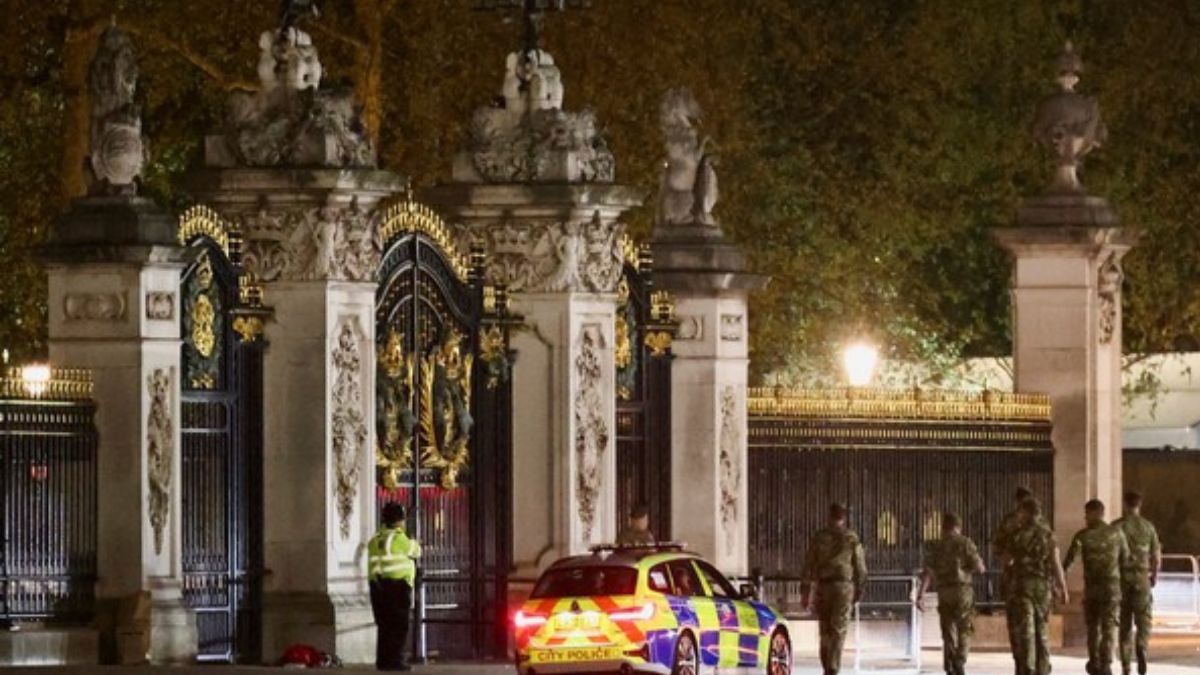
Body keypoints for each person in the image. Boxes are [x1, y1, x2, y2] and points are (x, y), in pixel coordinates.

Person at [1064, 500, 1130, 675]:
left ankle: (1094, 661)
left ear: (1094, 513)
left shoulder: (1082, 536)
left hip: (1093, 590)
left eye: (1087, 514)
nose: (1085, 518)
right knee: (1109, 627)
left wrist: (1060, 581)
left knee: (1093, 627)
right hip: (1112, 590)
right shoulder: (1117, 534)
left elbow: (1068, 561)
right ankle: (1106, 662)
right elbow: (1125, 561)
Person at [801, 503, 868, 675]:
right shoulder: (852, 538)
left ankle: (826, 664)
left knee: (824, 628)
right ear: (844, 518)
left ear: (829, 517)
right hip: (844, 587)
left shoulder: (819, 537)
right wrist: (860, 588)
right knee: (839, 628)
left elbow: (809, 564)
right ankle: (833, 667)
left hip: (824, 586)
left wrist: (806, 590)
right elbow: (860, 566)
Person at [916, 513, 985, 675]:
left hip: (944, 592)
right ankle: (960, 660)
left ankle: (950, 668)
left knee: (948, 631)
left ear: (943, 527)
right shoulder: (965, 543)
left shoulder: (936, 546)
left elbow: (928, 572)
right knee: (965, 629)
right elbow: (979, 568)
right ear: (958, 527)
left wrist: (921, 595)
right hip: (962, 592)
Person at [1006, 497, 1069, 675]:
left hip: (1022, 587)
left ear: (1026, 512)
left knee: (1026, 632)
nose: (1018, 515)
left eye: (1021, 511)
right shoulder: (1048, 534)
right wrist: (1063, 588)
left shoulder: (1017, 534)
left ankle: (1028, 669)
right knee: (1042, 630)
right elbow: (1056, 563)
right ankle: (1043, 668)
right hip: (1043, 589)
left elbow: (1007, 560)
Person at [367, 503, 422, 672]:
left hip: (378, 587)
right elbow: (417, 551)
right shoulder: (399, 539)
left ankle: (383, 660)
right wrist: (414, 540)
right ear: (399, 521)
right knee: (399, 626)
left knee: (384, 626)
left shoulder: (375, 540)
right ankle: (396, 660)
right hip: (397, 588)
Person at [1113, 491, 1162, 675]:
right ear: (1139, 505)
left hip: (1122, 581)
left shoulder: (1117, 527)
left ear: (1125, 504)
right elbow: (1156, 556)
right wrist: (1154, 576)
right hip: (1142, 580)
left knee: (1124, 623)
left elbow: (1110, 556)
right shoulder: (1148, 527)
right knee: (1143, 620)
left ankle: (1126, 665)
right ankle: (1141, 645)